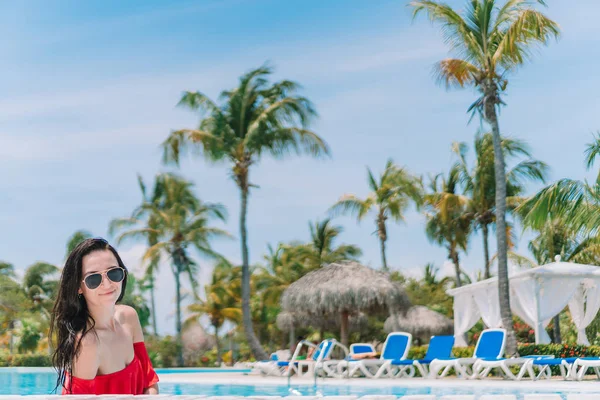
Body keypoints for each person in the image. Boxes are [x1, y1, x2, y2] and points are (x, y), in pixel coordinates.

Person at [49, 238, 159, 395]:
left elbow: (149, 382)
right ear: (79, 287)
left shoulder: (129, 317)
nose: (107, 284)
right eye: (93, 278)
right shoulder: (88, 343)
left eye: (113, 272)